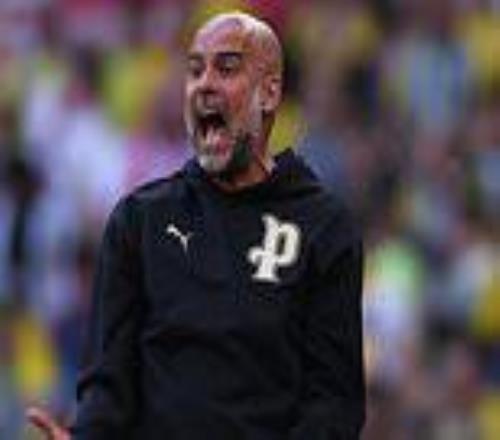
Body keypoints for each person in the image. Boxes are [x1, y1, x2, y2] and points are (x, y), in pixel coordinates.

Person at [27, 11, 365, 439]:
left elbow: (335, 404)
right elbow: (108, 388)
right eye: (195, 70)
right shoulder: (138, 222)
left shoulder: (323, 227)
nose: (204, 84)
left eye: (226, 68)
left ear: (269, 92)